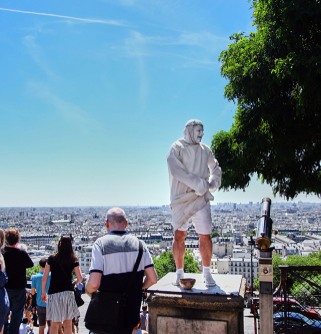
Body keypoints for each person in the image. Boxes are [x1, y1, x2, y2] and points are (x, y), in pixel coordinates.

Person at [167, 119, 222, 286]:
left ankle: (207, 272)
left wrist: (214, 183)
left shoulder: (205, 150)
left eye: (202, 131)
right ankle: (180, 273)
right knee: (179, 236)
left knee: (205, 235)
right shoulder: (176, 148)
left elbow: (216, 168)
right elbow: (177, 171)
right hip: (182, 198)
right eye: (199, 130)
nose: (201, 134)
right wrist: (199, 184)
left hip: (200, 197)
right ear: (189, 130)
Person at [86, 207, 158, 334]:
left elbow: (94, 284)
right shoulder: (140, 244)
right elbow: (153, 278)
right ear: (126, 223)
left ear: (106, 223)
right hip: (130, 314)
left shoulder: (100, 244)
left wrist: (88, 289)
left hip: (106, 314)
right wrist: (139, 287)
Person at [41, 235, 82, 334]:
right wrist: (74, 282)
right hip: (68, 292)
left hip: (54, 293)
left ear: (59, 244)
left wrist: (43, 292)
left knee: (54, 324)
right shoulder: (73, 259)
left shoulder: (52, 258)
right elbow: (80, 278)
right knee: (68, 324)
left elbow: (45, 277)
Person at [2, 228, 34, 334]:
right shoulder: (21, 253)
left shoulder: (2, 253)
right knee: (17, 315)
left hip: (4, 287)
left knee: (4, 314)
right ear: (17, 240)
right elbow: (31, 264)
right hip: (19, 288)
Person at [31, 258, 51, 334]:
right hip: (50, 304)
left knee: (41, 326)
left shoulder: (35, 277)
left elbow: (32, 292)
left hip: (40, 304)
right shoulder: (51, 275)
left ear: (39, 266)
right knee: (51, 326)